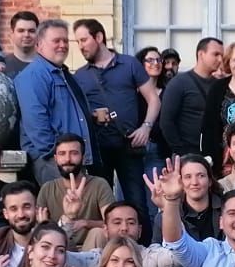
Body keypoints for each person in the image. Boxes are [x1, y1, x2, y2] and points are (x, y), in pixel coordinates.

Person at [72, 18, 158, 224]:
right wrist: (92, 116)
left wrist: (146, 128)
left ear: (98, 37)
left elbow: (154, 99)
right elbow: (76, 112)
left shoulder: (129, 64)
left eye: (84, 40)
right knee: (102, 205)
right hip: (98, 148)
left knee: (137, 204)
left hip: (129, 143)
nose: (81, 46)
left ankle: (142, 243)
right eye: (78, 42)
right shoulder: (80, 75)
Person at [13, 19, 95, 185]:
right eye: (56, 41)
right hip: (53, 162)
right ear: (39, 45)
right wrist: (58, 156)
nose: (62, 45)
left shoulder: (62, 73)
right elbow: (36, 123)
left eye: (65, 40)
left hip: (70, 159)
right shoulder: (34, 75)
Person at [36, 135, 114, 242]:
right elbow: (37, 229)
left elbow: (113, 223)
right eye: (62, 153)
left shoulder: (99, 184)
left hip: (92, 247)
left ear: (83, 157)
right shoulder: (47, 189)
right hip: (59, 247)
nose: (67, 159)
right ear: (55, 158)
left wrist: (87, 223)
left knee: (98, 232)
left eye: (74, 153)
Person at [157, 36, 222, 158]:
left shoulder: (219, 85)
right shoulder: (179, 83)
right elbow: (166, 122)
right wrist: (182, 152)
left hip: (214, 153)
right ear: (201, 54)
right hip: (187, 154)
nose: (220, 59)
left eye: (222, 55)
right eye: (216, 54)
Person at [2, 9, 41, 82]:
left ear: (38, 35)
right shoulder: (1, 66)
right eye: (21, 31)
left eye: (31, 31)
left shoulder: (48, 65)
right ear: (11, 35)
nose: (26, 35)